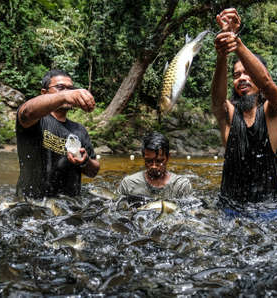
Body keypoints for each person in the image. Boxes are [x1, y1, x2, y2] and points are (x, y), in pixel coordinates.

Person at [211, 8, 277, 207]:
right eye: (236, 75)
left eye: (248, 73)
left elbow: (268, 85)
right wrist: (222, 54)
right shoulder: (228, 114)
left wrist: (236, 43)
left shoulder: (275, 111)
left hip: (269, 210)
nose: (242, 78)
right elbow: (217, 100)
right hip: (229, 210)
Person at [16, 69, 100, 200]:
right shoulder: (36, 120)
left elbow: (94, 171)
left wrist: (85, 162)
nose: (67, 92)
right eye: (60, 88)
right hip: (33, 204)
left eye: (70, 89)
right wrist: (64, 97)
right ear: (44, 93)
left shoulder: (79, 130)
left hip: (69, 208)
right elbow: (27, 112)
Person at [117, 132, 192, 200]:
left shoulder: (180, 186)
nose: (154, 166)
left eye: (159, 161)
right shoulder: (129, 184)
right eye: (149, 161)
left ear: (168, 157)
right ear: (143, 157)